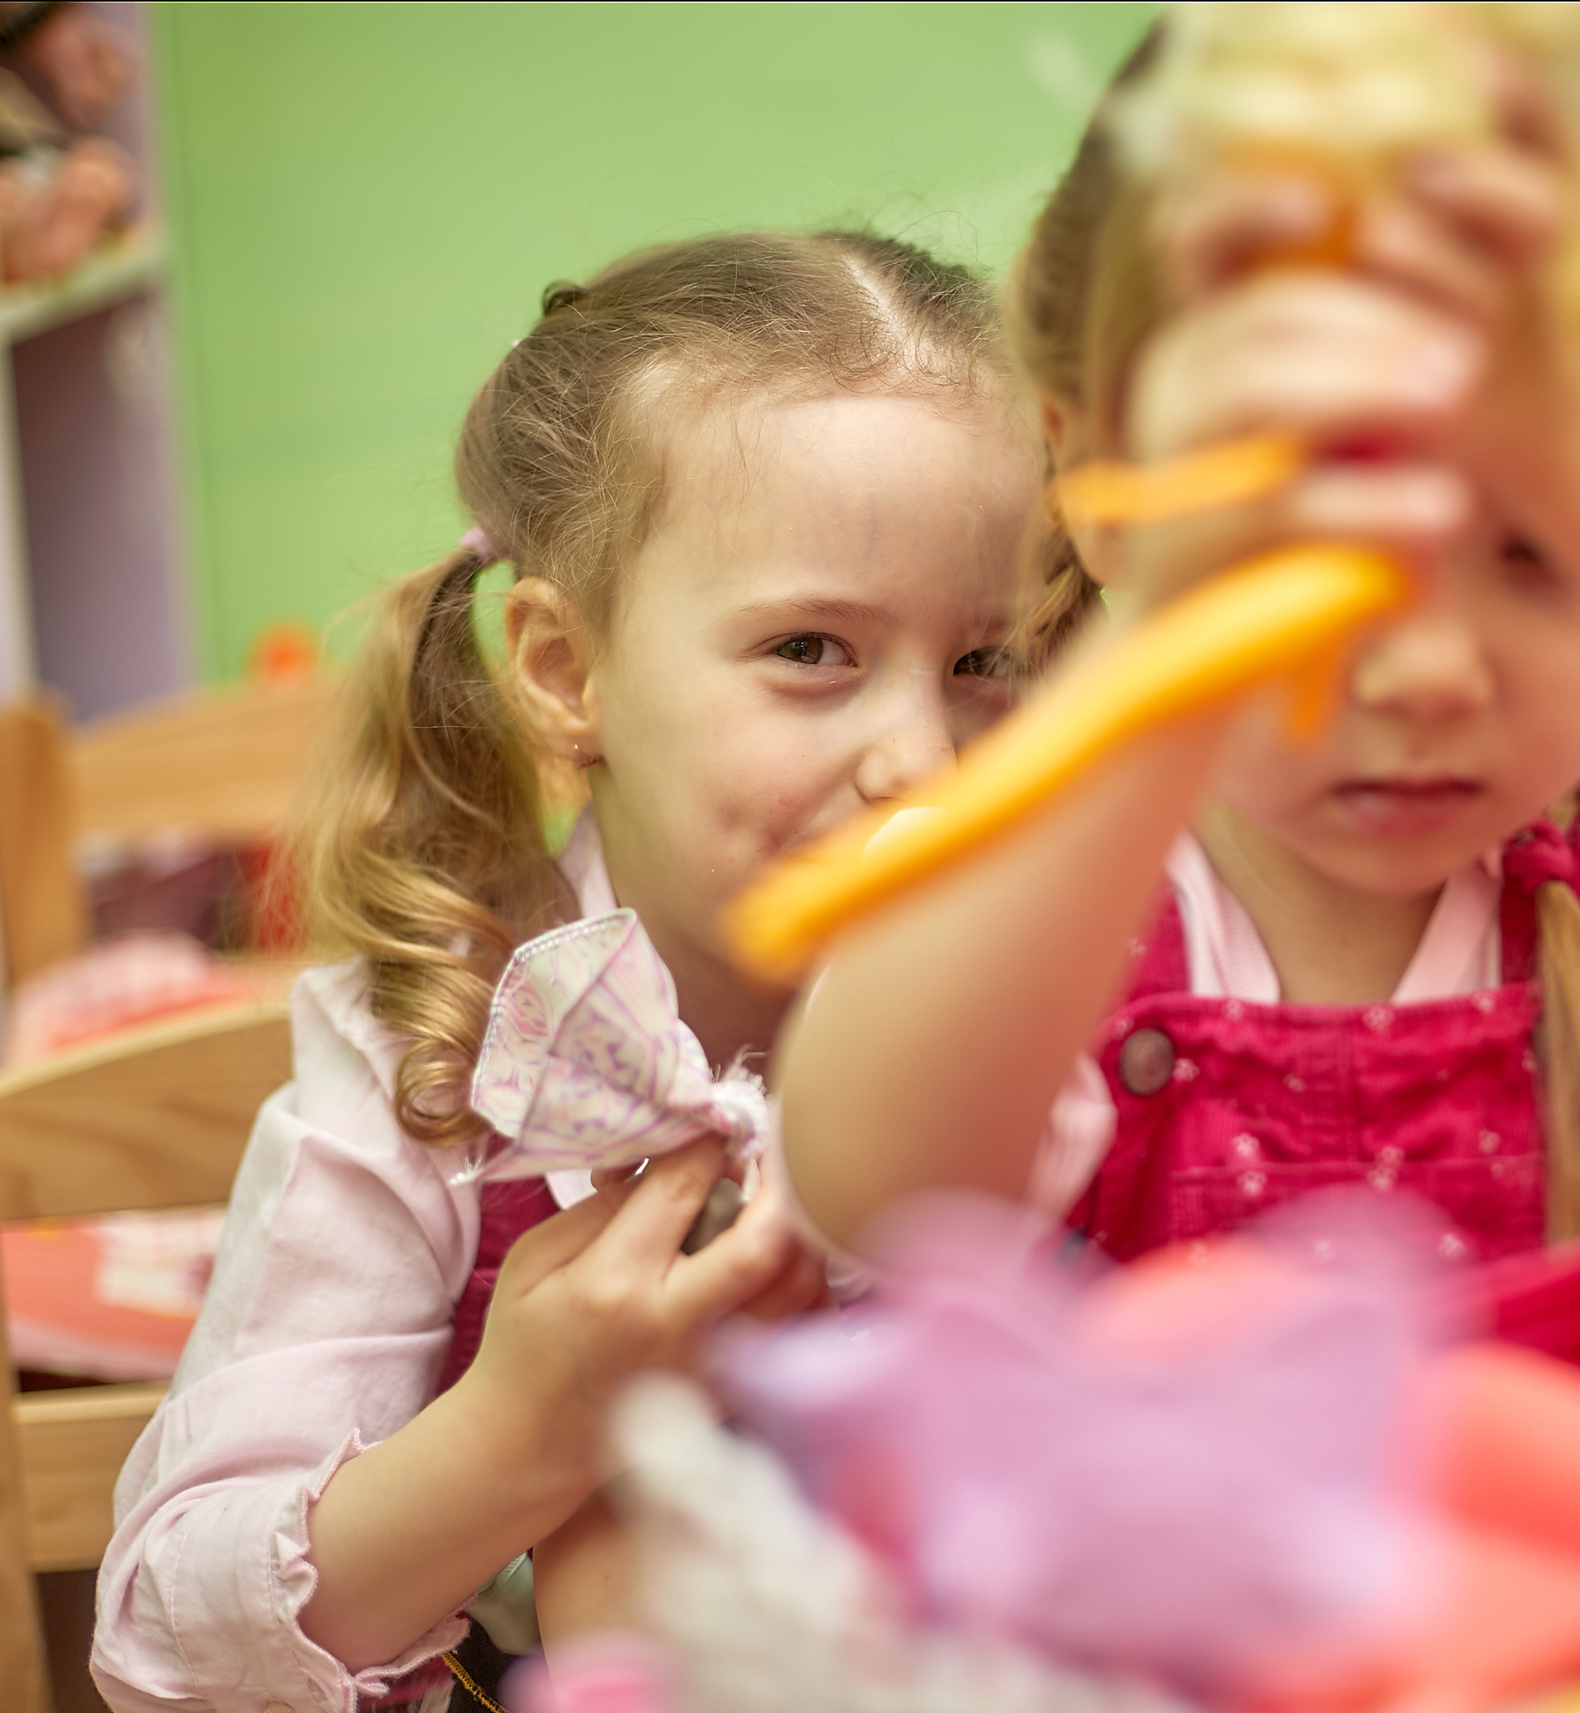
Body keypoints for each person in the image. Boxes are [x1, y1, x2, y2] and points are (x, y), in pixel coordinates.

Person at [776, 28, 1580, 1272]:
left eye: (1536, 546)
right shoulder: (1016, 894)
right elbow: (881, 1193)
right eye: (1309, 560)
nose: (1426, 674)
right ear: (1096, 480)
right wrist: (1183, 632)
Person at [92, 229, 1040, 1711]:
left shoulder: (1094, 1004)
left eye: (989, 662)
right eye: (811, 648)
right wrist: (531, 1419)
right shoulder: (423, 1047)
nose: (921, 760)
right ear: (565, 671)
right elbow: (168, 1638)